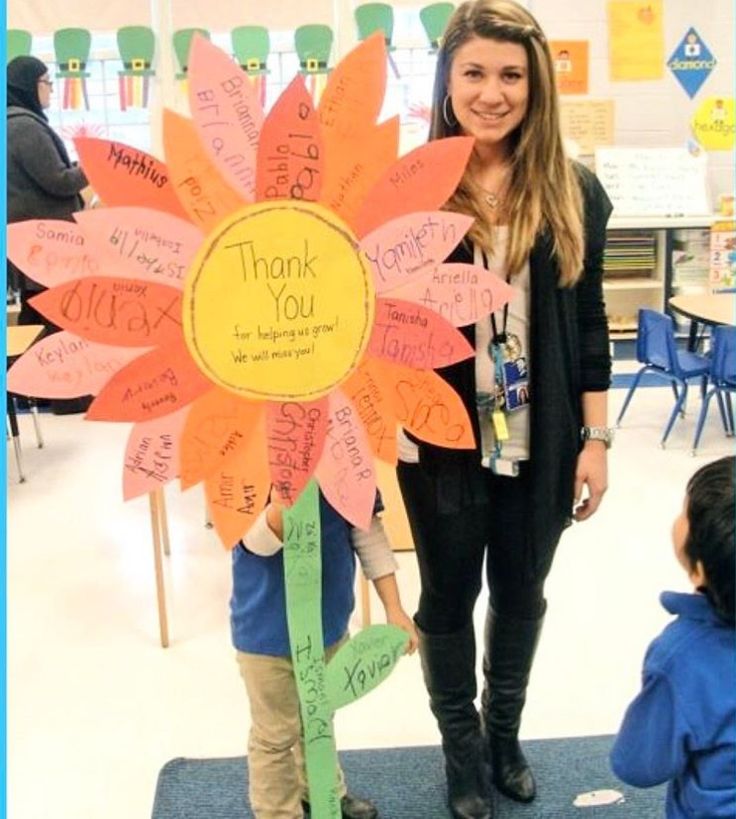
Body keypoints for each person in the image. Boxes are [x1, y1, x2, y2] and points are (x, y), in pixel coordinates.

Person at [394, 2, 613, 817]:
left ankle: (504, 736)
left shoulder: (572, 189)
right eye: (475, 72)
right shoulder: (411, 194)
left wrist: (595, 438)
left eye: (511, 74)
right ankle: (459, 754)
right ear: (448, 82)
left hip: (543, 440)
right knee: (447, 597)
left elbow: (589, 325)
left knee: (521, 594)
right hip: (443, 439)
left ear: (536, 84)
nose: (494, 92)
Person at [230, 492, 419, 819]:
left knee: (318, 718)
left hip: (327, 623)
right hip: (265, 635)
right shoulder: (247, 461)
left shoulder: (344, 451)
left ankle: (323, 792)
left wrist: (393, 606)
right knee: (275, 734)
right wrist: (284, 500)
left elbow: (367, 529)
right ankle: (278, 812)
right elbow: (256, 542)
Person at [610, 456, 736, 818]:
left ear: (700, 571)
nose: (678, 520)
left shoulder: (681, 659)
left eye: (686, 515)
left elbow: (638, 765)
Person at [7, 55, 92, 414]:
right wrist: (90, 167)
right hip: (47, 242)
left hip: (29, 240)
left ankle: (34, 390)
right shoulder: (24, 127)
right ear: (29, 86)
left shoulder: (12, 123)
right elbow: (57, 180)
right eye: (47, 83)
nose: (52, 90)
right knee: (60, 312)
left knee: (36, 310)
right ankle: (67, 395)